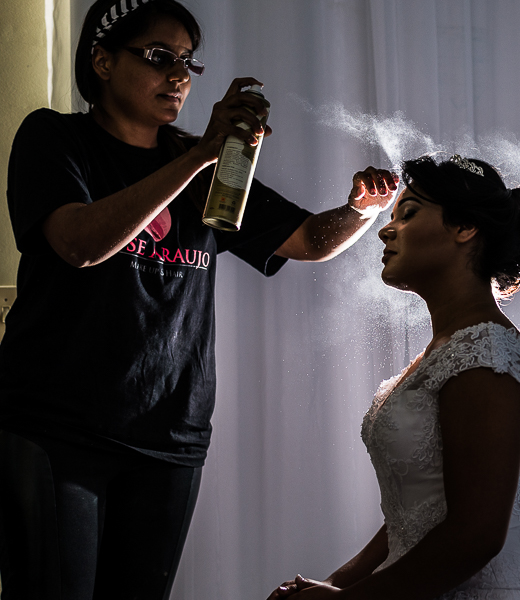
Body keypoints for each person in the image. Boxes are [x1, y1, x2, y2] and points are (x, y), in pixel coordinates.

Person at [0, 0, 397, 598]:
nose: (179, 76)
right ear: (102, 61)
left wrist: (361, 211)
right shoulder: (55, 138)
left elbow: (308, 241)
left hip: (168, 438)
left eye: (188, 61)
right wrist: (199, 154)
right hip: (58, 429)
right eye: (160, 57)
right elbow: (79, 243)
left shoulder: (209, 167)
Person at [269, 154, 520, 600]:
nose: (386, 230)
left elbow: (475, 537)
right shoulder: (448, 348)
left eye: (407, 215)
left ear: (465, 228)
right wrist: (337, 583)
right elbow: (415, 515)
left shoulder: (484, 358)